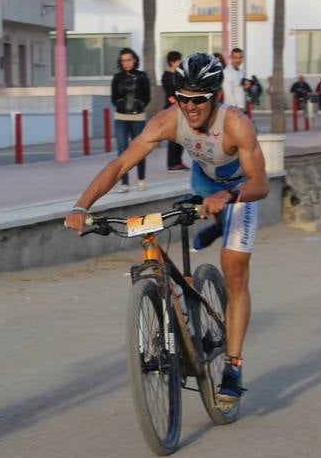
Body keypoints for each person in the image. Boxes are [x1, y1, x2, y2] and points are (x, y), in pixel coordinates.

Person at [63, 53, 269, 402]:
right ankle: (207, 238)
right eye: (183, 98)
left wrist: (228, 194)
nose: (190, 107)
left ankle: (233, 365)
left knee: (234, 269)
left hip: (237, 190)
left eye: (199, 100)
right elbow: (121, 163)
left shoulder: (236, 125)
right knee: (174, 227)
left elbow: (260, 184)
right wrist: (82, 205)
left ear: (215, 96)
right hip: (204, 182)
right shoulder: (167, 121)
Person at [110, 47, 152, 192]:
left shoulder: (142, 76)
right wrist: (121, 105)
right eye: (123, 61)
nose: (126, 63)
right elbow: (113, 97)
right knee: (122, 150)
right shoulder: (117, 78)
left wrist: (139, 105)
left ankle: (141, 179)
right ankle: (124, 183)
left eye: (129, 60)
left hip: (138, 117)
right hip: (121, 117)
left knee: (139, 149)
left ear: (134, 60)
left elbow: (147, 96)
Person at [161, 50, 187, 171]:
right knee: (174, 137)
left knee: (182, 137)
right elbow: (170, 95)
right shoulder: (167, 76)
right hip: (172, 109)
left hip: (182, 108)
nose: (180, 63)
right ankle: (172, 163)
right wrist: (177, 103)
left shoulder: (178, 74)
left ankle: (178, 161)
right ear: (172, 62)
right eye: (179, 61)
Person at [221, 46, 247, 111]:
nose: (238, 60)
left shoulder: (241, 71)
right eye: (235, 58)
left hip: (241, 108)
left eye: (240, 57)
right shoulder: (227, 73)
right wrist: (235, 109)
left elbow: (240, 89)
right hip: (233, 109)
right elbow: (228, 93)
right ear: (231, 58)